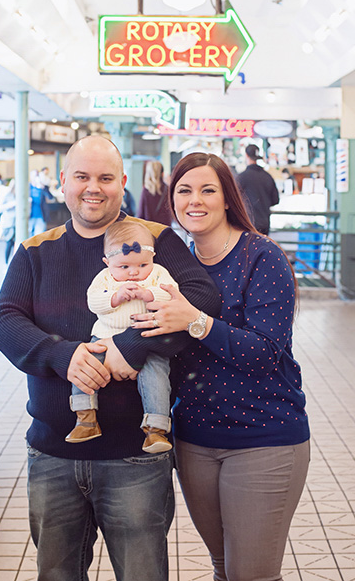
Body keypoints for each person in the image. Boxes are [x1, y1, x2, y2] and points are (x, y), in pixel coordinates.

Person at [0, 135, 220, 581]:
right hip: (53, 452)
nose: (93, 187)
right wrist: (62, 356)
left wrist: (129, 347)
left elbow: (200, 298)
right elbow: (5, 322)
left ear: (121, 183)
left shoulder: (155, 241)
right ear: (63, 182)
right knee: (56, 573)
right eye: (82, 176)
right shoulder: (36, 250)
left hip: (134, 455)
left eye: (105, 177)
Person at [131, 152, 310, 581]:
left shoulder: (261, 257)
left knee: (252, 574)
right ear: (171, 200)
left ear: (227, 198)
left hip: (263, 438)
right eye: (184, 190)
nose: (195, 200)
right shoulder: (174, 266)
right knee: (223, 568)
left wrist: (196, 321)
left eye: (207, 189)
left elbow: (266, 353)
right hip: (194, 441)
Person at [66, 220, 178, 454]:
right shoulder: (105, 278)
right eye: (124, 267)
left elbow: (172, 295)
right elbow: (93, 301)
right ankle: (85, 417)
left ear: (153, 258)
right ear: (108, 263)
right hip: (104, 337)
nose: (134, 272)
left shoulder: (157, 274)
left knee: (157, 373)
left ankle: (156, 429)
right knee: (84, 364)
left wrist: (149, 293)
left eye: (142, 264)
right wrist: (115, 298)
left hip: (147, 340)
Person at [237, 144, 279, 235]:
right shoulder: (267, 176)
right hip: (265, 223)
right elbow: (275, 200)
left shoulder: (241, 177)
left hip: (248, 224)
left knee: (248, 248)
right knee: (262, 248)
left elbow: (233, 199)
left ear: (246, 155)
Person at [137, 160, 172, 226]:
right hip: (164, 229)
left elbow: (141, 214)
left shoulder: (146, 191)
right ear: (162, 173)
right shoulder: (167, 189)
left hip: (149, 230)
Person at [0, 179, 16, 264]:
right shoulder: (6, 194)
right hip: (9, 223)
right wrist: (10, 205)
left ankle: (14, 263)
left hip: (17, 223)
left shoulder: (21, 194)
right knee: (9, 243)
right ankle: (7, 263)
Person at [29, 170, 46, 236]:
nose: (35, 177)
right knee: (29, 234)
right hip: (30, 215)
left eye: (37, 175)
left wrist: (43, 187)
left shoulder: (42, 188)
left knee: (39, 235)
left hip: (40, 215)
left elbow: (50, 197)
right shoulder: (28, 187)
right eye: (34, 175)